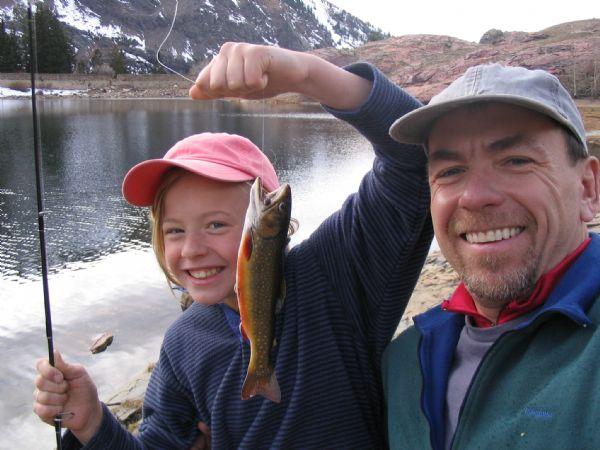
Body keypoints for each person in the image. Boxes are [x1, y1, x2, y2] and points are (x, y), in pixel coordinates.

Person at [33, 43, 433, 448]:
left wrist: (306, 75)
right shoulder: (182, 345)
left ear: (275, 229)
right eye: (174, 230)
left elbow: (413, 159)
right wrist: (91, 423)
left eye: (216, 224)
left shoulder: (335, 274)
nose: (192, 248)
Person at [381, 64, 600, 449]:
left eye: (516, 161)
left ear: (586, 189)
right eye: (451, 171)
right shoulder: (404, 363)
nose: (475, 195)